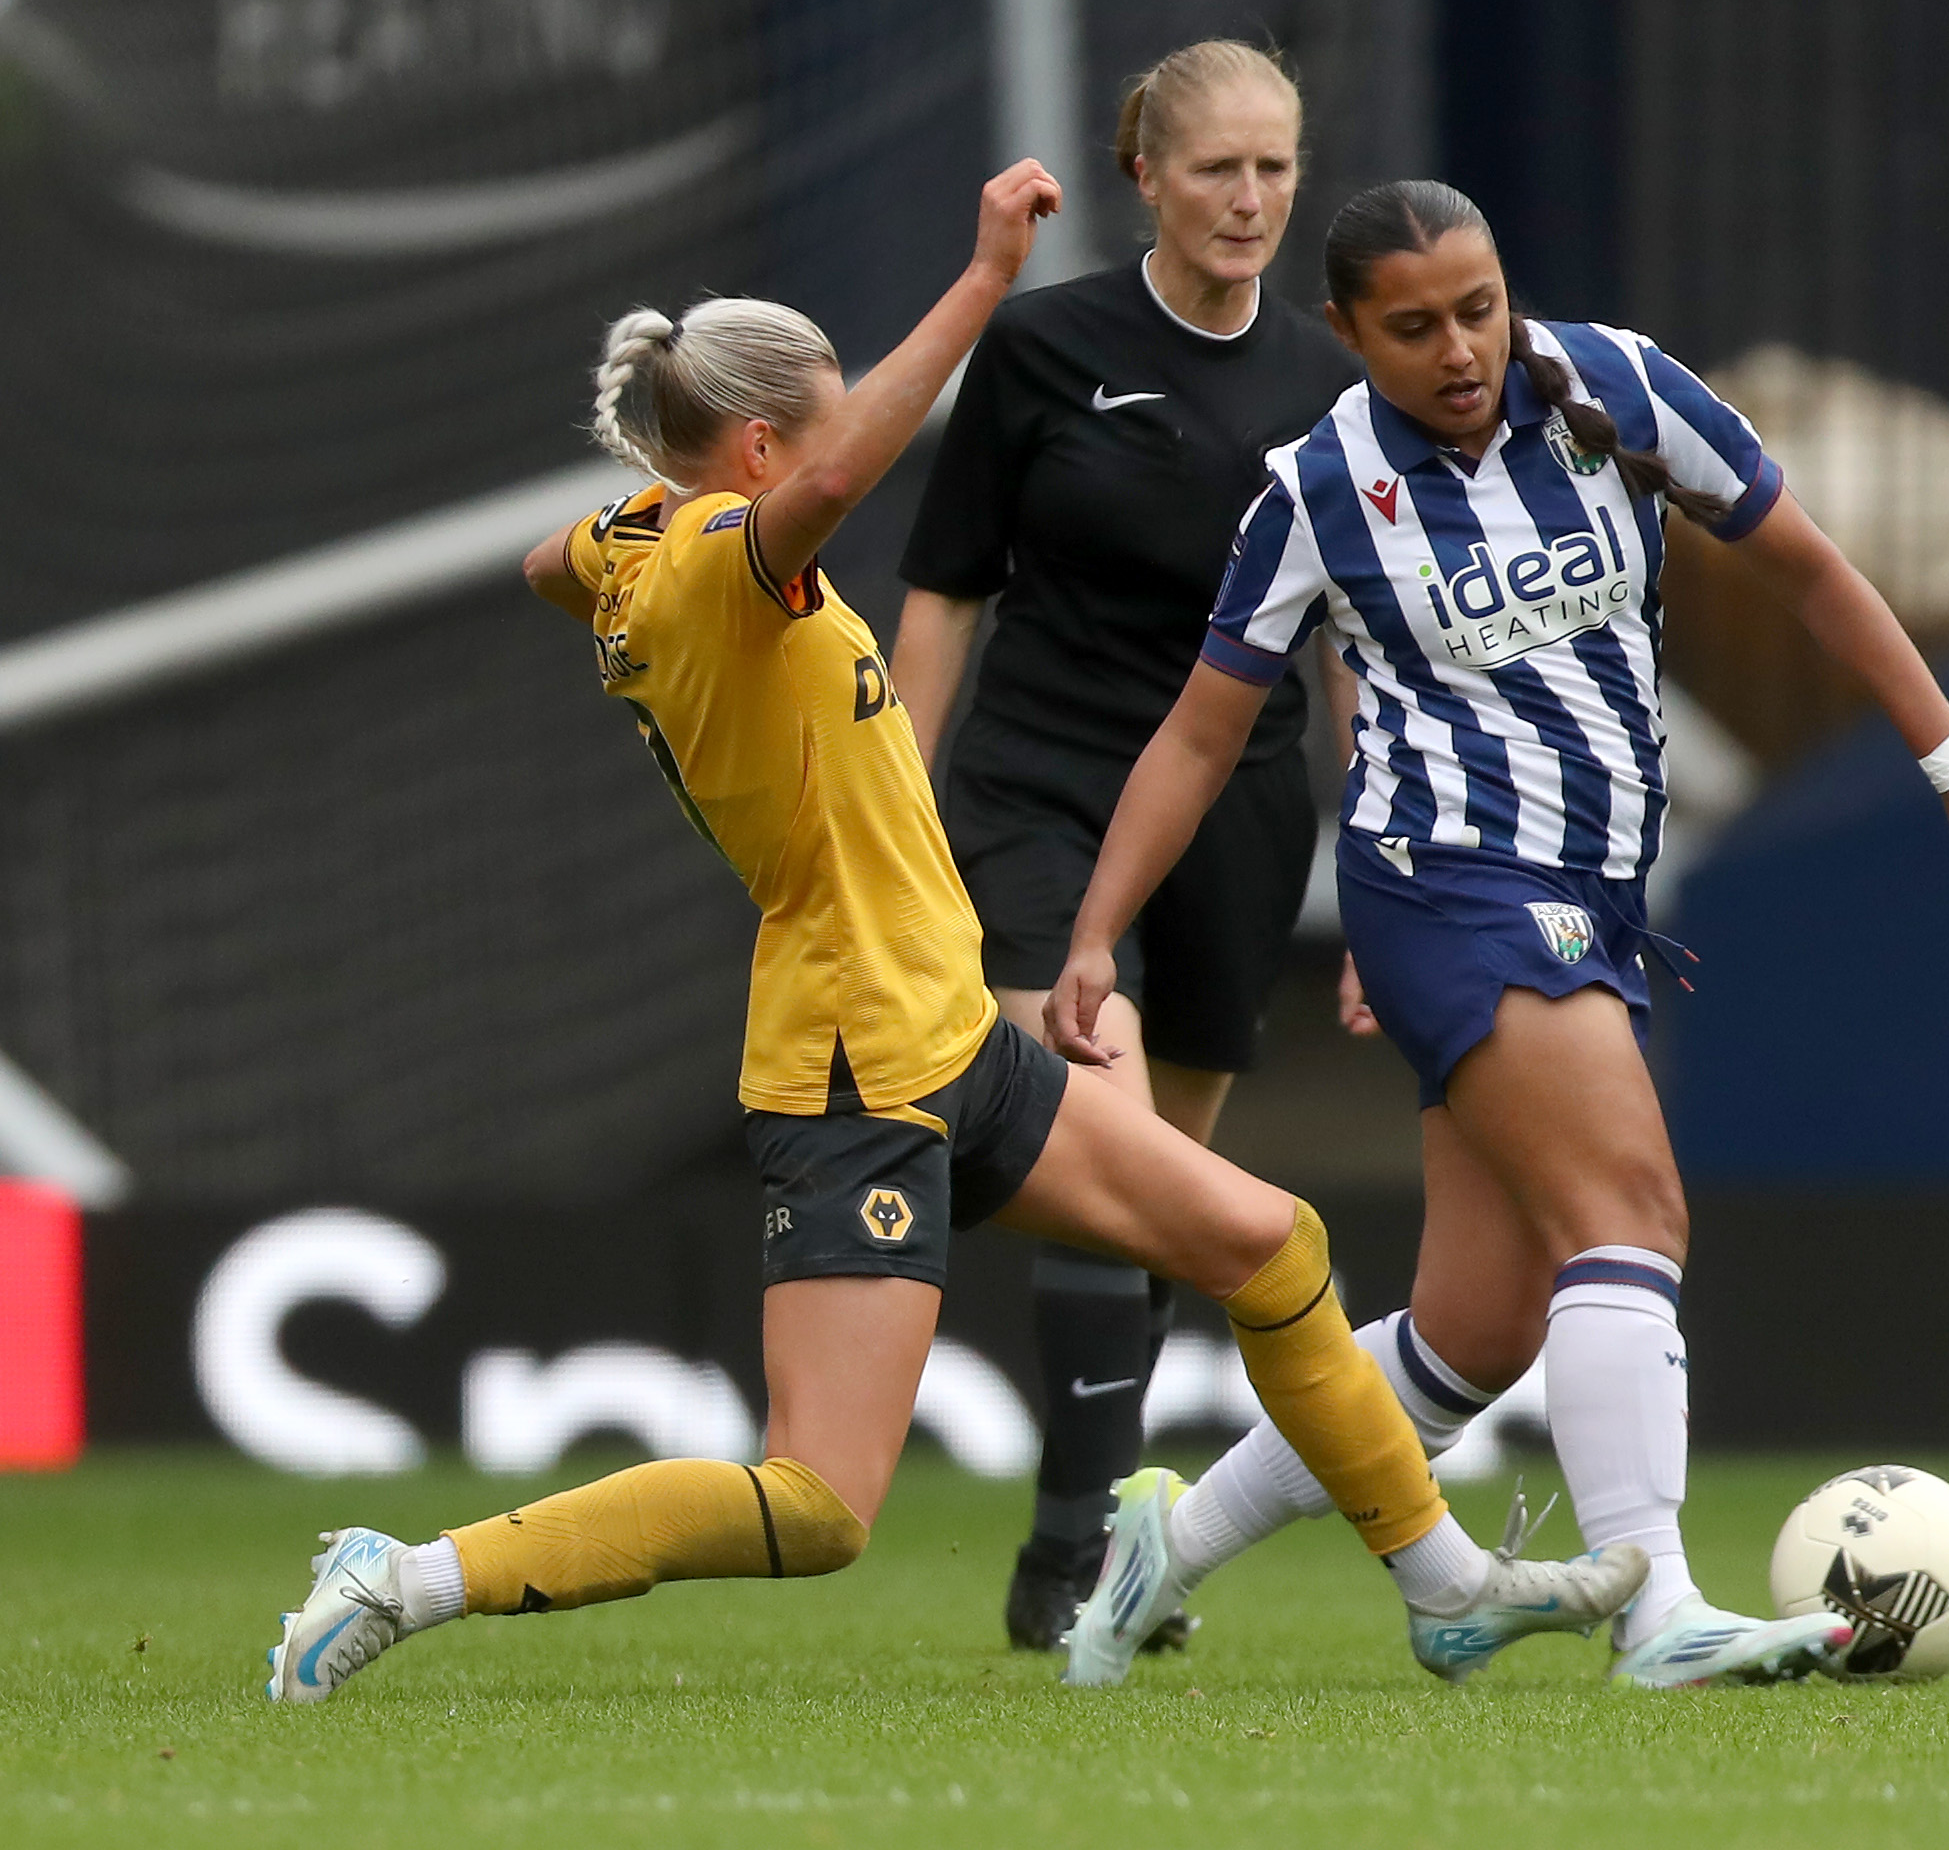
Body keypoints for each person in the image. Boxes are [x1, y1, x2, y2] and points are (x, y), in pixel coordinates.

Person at [261, 162, 1644, 1706]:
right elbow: (834, 485)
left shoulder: (630, 555)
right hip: (854, 1063)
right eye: (826, 416)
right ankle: (401, 1577)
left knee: (1268, 1245)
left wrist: (628, 525)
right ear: (767, 446)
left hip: (945, 1035)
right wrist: (985, 282)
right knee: (818, 1507)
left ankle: (1444, 1588)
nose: (850, 436)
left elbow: (550, 561)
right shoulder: (720, 567)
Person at [1046, 180, 1949, 1689]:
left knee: (1478, 1329)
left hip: (1592, 897)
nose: (1457, 349)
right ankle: (1660, 1614)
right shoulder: (1314, 490)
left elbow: (1806, 565)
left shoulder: (1620, 389)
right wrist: (1095, 937)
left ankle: (1158, 1554)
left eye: (1477, 308)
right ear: (1346, 335)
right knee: (1628, 1212)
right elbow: (1198, 737)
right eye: (1412, 326)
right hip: (1446, 884)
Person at [890, 41, 1360, 1654]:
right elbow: (948, 582)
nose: (1248, 201)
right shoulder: (1041, 348)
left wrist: (1376, 873)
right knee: (1101, 1149)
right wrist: (892, 796)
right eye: (1216, 169)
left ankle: (1063, 1548)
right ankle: (1089, 1550)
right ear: (1141, 176)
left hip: (1234, 815)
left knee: (1164, 1187)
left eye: (1274, 170)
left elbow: (1356, 647)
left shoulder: (1329, 382)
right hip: (1042, 789)